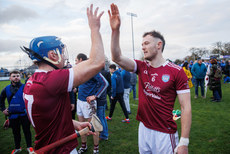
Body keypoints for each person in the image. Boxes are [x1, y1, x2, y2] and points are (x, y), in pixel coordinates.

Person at [108, 3, 191, 154]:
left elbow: (185, 108)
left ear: (159, 45)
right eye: (142, 44)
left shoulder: (177, 71)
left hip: (165, 133)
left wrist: (184, 142)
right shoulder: (141, 66)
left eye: (146, 43)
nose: (143, 47)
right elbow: (116, 57)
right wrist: (115, 31)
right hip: (144, 128)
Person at [22, 4, 105, 153]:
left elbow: (50, 116)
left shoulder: (33, 79)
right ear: (53, 55)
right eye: (61, 50)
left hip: (49, 144)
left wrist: (73, 123)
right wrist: (94, 29)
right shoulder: (51, 79)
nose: (64, 55)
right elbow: (97, 62)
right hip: (61, 150)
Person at [75, 53, 108, 154]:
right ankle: (84, 146)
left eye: (76, 60)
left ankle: (96, 149)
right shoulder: (80, 70)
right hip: (79, 101)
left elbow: (105, 83)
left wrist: (95, 96)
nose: (75, 62)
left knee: (93, 127)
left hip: (88, 103)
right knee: (81, 126)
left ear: (81, 60)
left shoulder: (91, 70)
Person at [0, 70, 34, 154]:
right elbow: (1, 100)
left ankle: (29, 147)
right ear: (10, 78)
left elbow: (32, 97)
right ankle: (17, 148)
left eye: (18, 76)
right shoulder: (6, 89)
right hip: (13, 115)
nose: (16, 78)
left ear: (20, 77)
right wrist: (3, 109)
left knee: (27, 131)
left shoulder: (25, 86)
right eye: (14, 76)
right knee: (15, 132)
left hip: (24, 114)